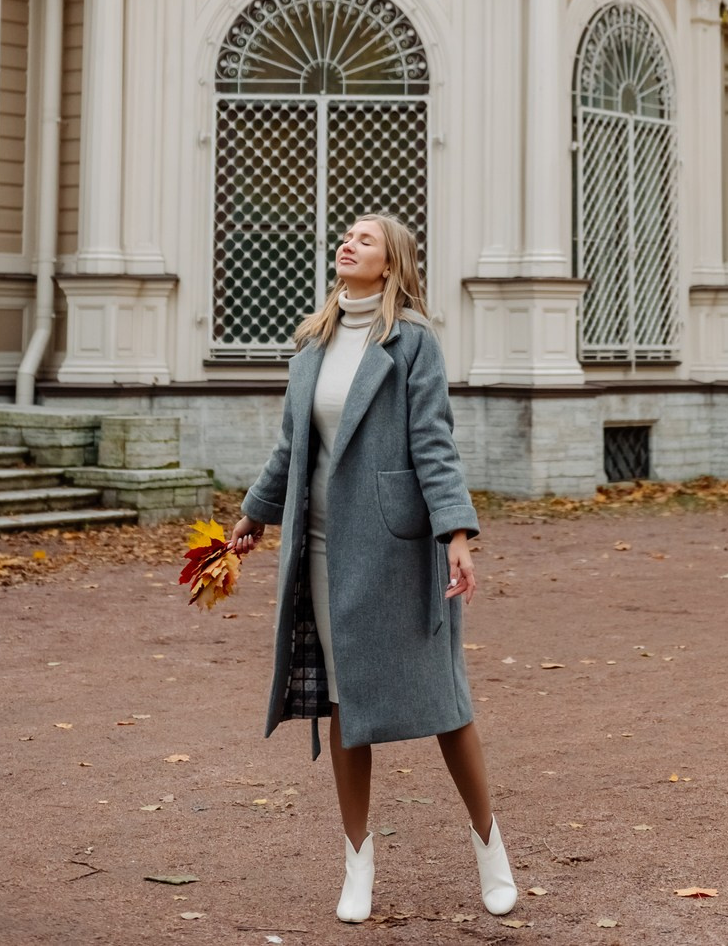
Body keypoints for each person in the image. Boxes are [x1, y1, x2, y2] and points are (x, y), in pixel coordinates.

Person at [230, 213, 518, 924]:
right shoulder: (312, 344)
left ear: (390, 264)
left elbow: (434, 441)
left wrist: (456, 531)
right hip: (322, 547)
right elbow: (291, 448)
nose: (348, 243)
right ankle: (357, 865)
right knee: (341, 700)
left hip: (398, 547)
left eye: (365, 238)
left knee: (446, 703)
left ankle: (491, 849)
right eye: (346, 236)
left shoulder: (412, 342)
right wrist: (254, 514)